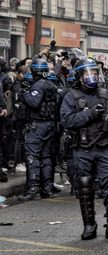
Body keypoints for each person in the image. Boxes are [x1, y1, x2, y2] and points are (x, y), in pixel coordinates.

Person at [60, 58, 108, 240]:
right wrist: (89, 114)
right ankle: (89, 226)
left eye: (94, 73)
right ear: (79, 76)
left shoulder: (106, 95)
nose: (92, 76)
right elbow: (67, 121)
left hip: (104, 146)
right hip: (82, 148)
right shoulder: (71, 96)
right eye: (87, 74)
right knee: (84, 185)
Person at [19, 58, 59, 200]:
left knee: (33, 156)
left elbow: (34, 102)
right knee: (46, 157)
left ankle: (33, 189)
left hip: (38, 125)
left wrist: (25, 93)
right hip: (50, 125)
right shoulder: (51, 85)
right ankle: (47, 188)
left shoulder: (38, 86)